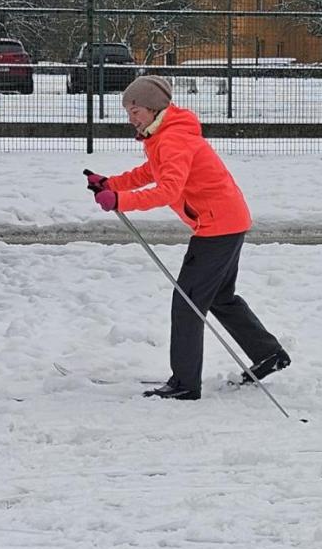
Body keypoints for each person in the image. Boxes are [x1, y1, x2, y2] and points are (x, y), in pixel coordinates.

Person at [86, 75, 289, 400]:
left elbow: (168, 190)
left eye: (134, 111)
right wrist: (111, 184)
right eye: (128, 112)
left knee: (187, 304)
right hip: (227, 220)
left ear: (153, 108)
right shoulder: (163, 135)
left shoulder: (172, 139)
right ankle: (268, 354)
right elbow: (150, 173)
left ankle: (184, 384)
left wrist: (121, 201)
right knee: (220, 298)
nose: (131, 118)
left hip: (217, 225)